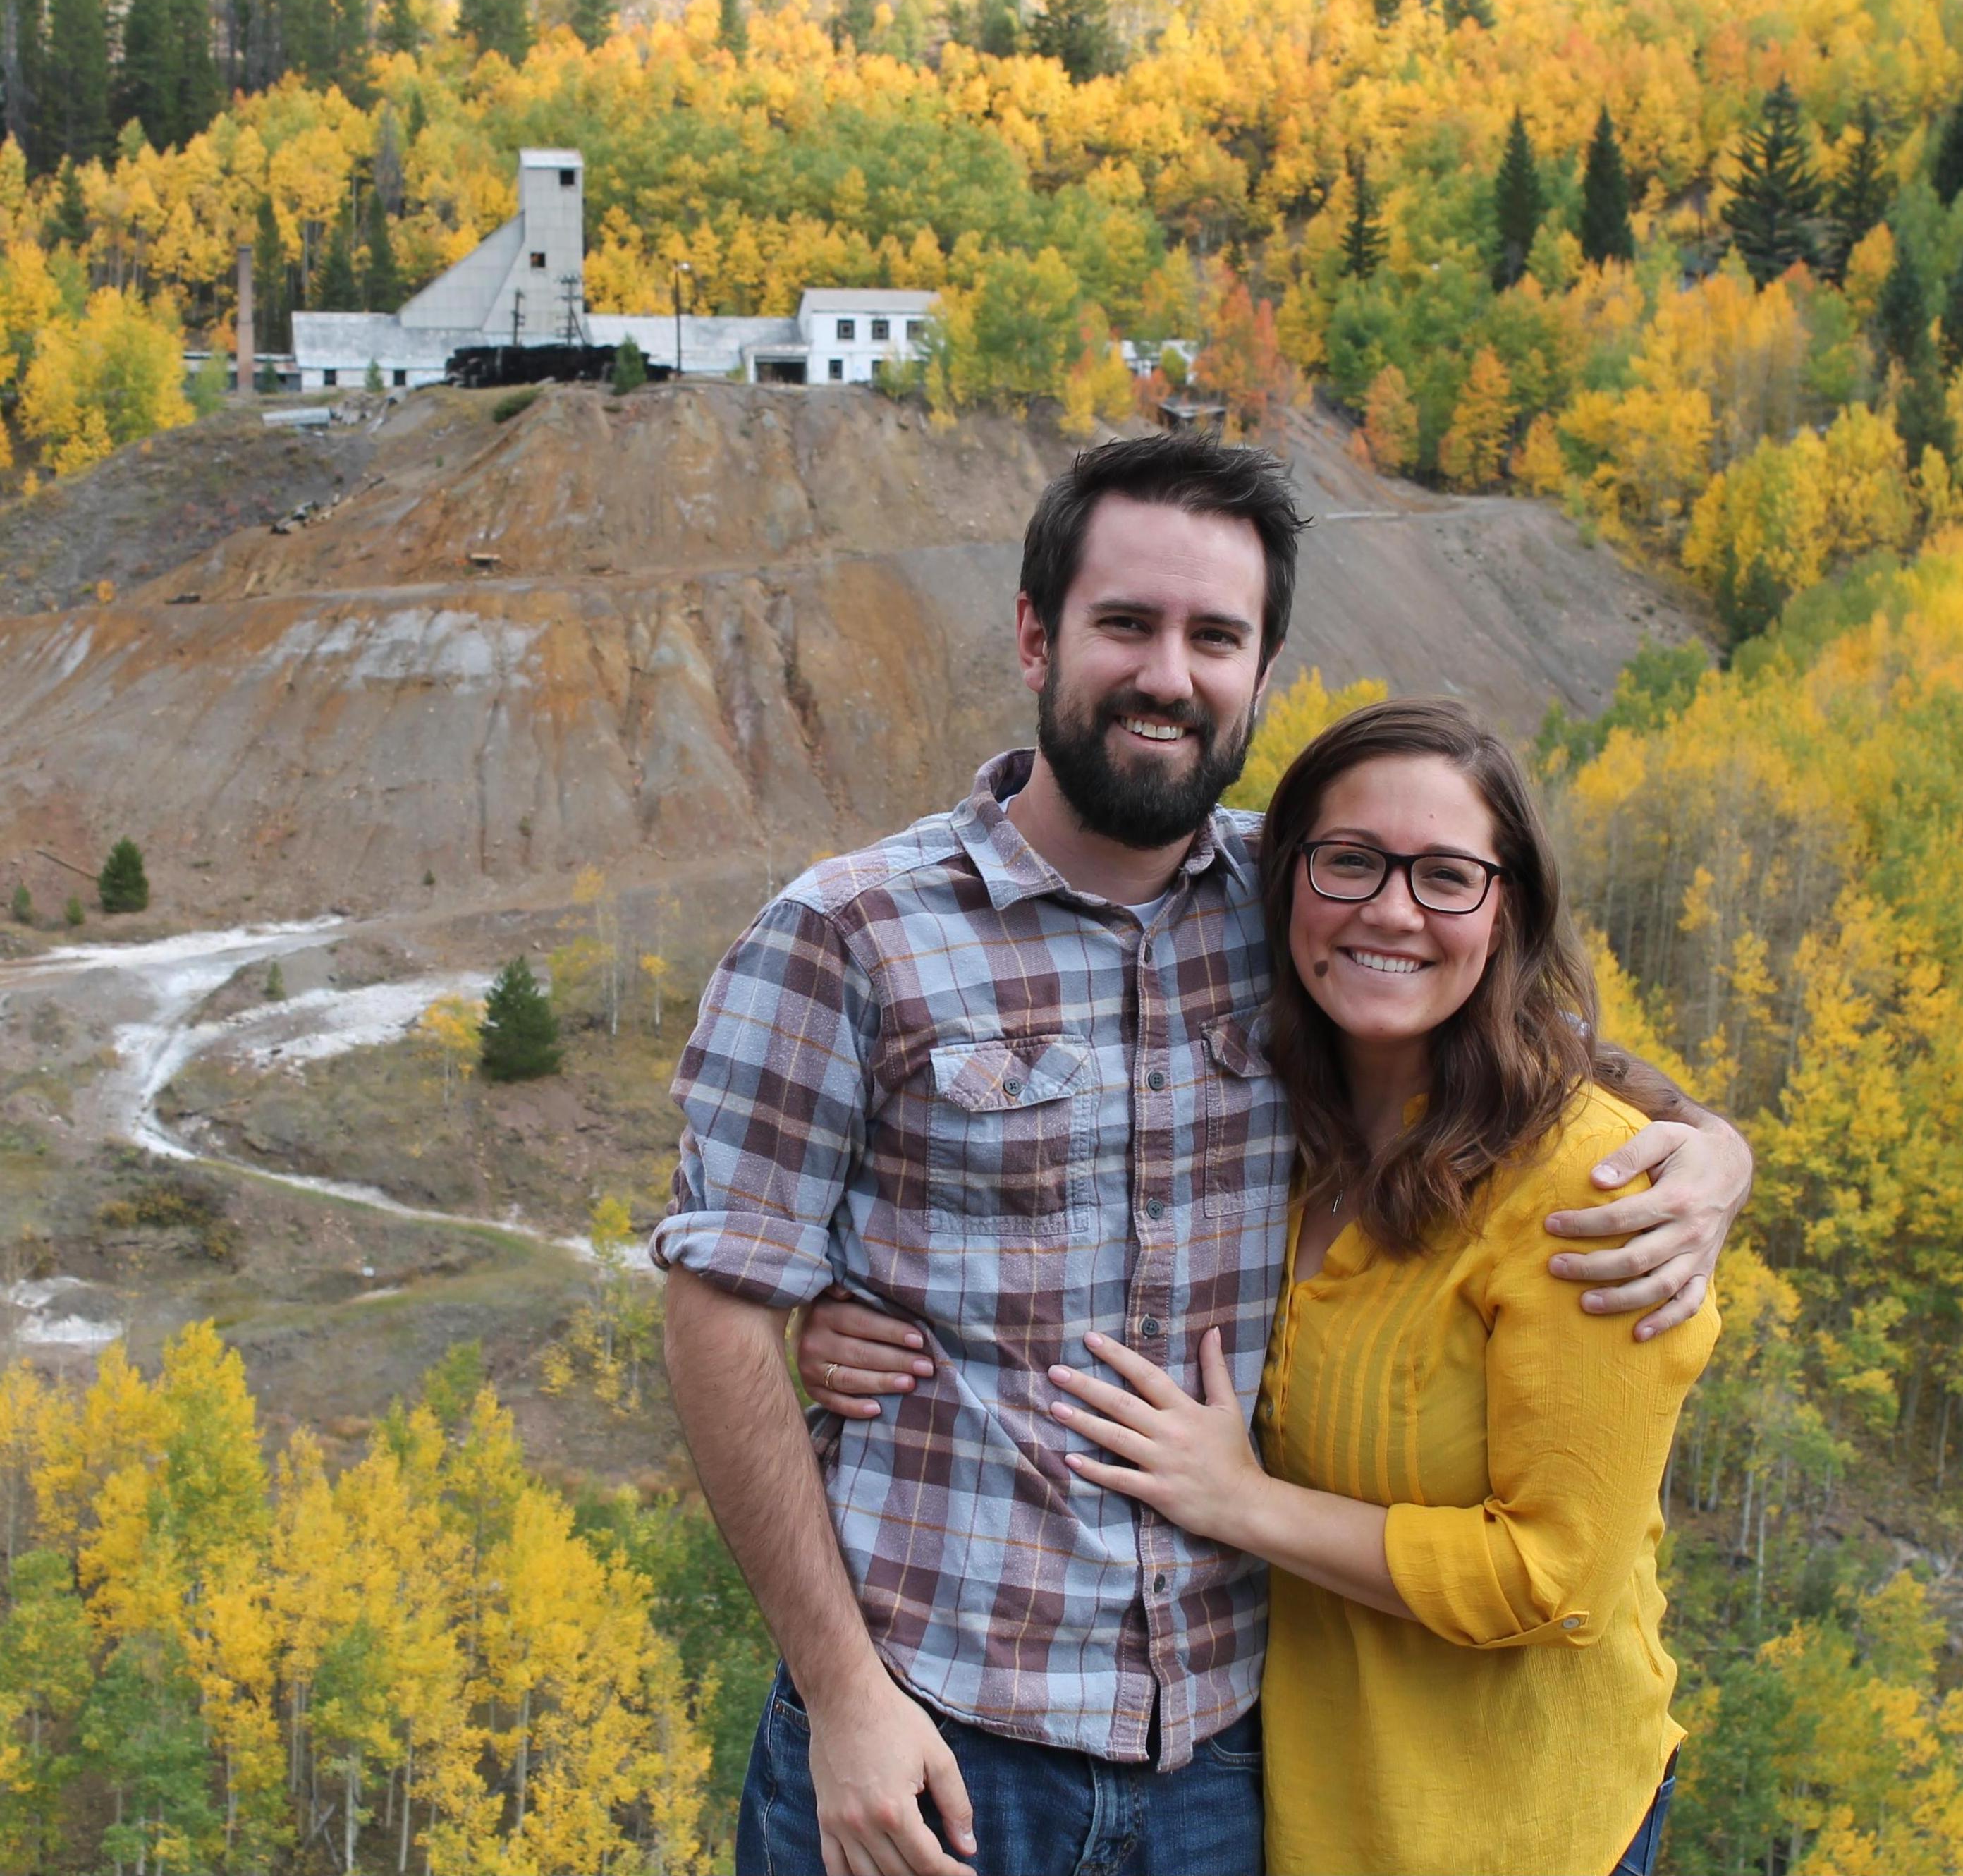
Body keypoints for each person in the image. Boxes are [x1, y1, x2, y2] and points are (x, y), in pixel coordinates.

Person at [659, 431, 1749, 1876]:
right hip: (936, 1739)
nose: (1167, 672)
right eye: (1126, 622)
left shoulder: (1304, 902)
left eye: (1213, 635)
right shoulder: (848, 933)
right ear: (1039, 635)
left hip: (1228, 1768)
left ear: (1260, 666)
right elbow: (716, 1303)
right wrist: (846, 1695)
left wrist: (1714, 1155)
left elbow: (1539, 1053)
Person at [1039, 699, 1713, 1875]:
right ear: (1285, 878)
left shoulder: (1593, 1195)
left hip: (1515, 1829)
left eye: (1448, 875)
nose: (1391, 910)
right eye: (1351, 862)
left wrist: (1237, 1501)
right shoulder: (1263, 1125)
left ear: (1507, 912)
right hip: (1310, 1815)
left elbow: (1554, 1579)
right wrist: (851, 1317)